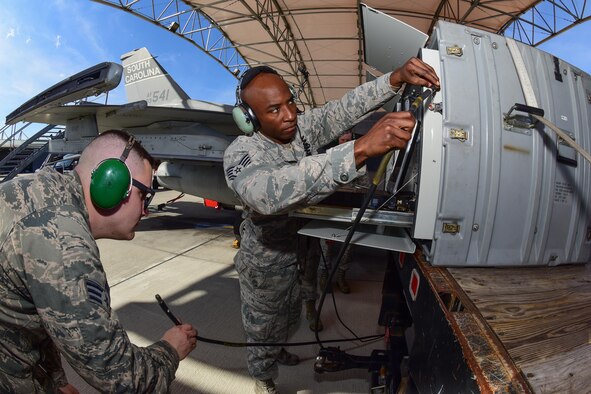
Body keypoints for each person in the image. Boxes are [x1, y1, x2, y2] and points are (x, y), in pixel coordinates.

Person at [224, 58, 439, 393]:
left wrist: (395, 78)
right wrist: (361, 148)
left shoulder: (300, 130)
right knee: (263, 325)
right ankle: (262, 376)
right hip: (266, 262)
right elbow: (267, 194)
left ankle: (278, 349)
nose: (290, 115)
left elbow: (344, 108)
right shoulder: (241, 153)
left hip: (303, 250)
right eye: (274, 110)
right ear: (250, 118)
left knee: (292, 313)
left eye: (290, 102)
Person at [0, 130, 198, 393]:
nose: (145, 209)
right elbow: (121, 376)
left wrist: (54, 381)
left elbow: (32, 310)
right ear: (113, 185)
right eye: (144, 195)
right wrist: (170, 349)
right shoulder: (65, 243)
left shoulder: (37, 190)